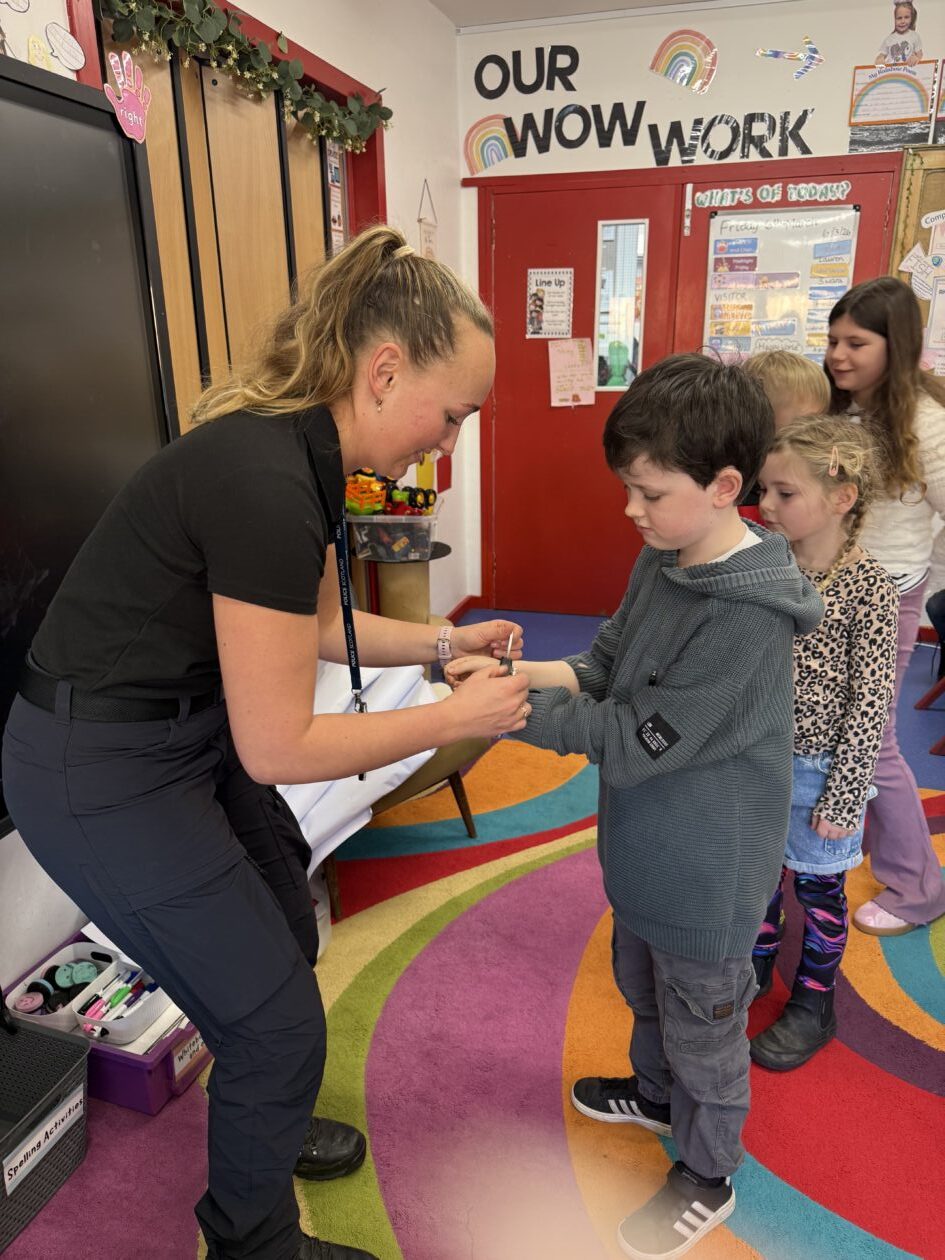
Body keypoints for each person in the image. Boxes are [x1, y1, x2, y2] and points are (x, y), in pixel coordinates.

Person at [1, 225, 532, 1260]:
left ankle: (265, 1110)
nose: (448, 447)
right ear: (385, 371)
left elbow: (322, 625)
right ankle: (253, 1245)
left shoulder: (306, 456)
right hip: (97, 768)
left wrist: (443, 643)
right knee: (276, 1021)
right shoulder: (262, 476)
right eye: (452, 416)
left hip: (180, 737)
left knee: (287, 929)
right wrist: (455, 719)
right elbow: (280, 746)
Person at [447, 354, 822, 1260]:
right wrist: (513, 673)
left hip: (707, 876)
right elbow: (605, 664)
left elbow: (632, 736)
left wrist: (509, 713)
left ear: (724, 486)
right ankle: (655, 1099)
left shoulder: (746, 617)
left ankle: (706, 1172)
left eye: (648, 493)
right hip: (648, 852)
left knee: (703, 1030)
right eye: (628, 489)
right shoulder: (666, 555)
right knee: (643, 990)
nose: (630, 510)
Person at [751, 417, 898, 1071]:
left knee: (817, 892)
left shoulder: (869, 588)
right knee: (757, 877)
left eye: (784, 493)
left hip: (820, 773)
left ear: (841, 497)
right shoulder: (765, 564)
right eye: (763, 490)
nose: (765, 505)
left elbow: (870, 704)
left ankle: (814, 999)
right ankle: (756, 964)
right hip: (756, 758)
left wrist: (843, 796)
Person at [826, 275, 945, 936]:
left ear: (893, 346)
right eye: (832, 341)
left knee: (870, 742)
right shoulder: (842, 411)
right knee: (833, 729)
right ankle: (869, 844)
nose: (838, 355)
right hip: (827, 592)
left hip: (887, 597)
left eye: (855, 343)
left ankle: (918, 886)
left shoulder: (925, 423)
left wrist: (921, 574)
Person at [739, 349, 831, 522]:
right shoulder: (735, 491)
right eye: (805, 423)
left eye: (821, 420)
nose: (817, 432)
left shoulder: (816, 471)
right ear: (759, 421)